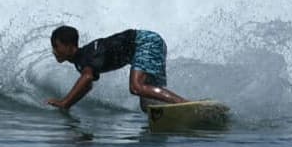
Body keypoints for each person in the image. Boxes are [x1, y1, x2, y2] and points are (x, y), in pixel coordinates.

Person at [47, 25, 187, 111]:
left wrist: (64, 102)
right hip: (150, 42)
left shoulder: (86, 57)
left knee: (136, 87)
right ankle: (181, 111)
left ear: (69, 46)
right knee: (148, 105)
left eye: (56, 46)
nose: (54, 50)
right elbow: (86, 85)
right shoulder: (81, 61)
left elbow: (87, 77)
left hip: (145, 42)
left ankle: (184, 104)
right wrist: (68, 105)